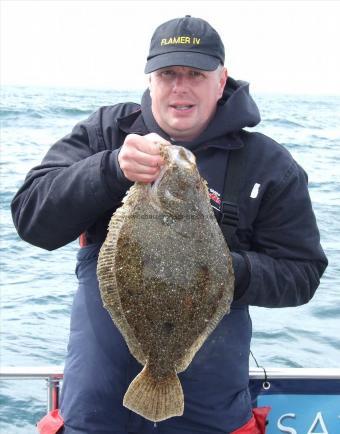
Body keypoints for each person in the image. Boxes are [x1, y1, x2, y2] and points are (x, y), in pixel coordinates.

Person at [11, 15, 327, 434]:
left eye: (195, 73)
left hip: (210, 413)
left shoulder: (269, 166)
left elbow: (302, 275)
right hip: (96, 404)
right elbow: (32, 219)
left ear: (222, 79)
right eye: (167, 73)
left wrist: (221, 272)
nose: (180, 86)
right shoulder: (106, 133)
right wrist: (108, 170)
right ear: (151, 80)